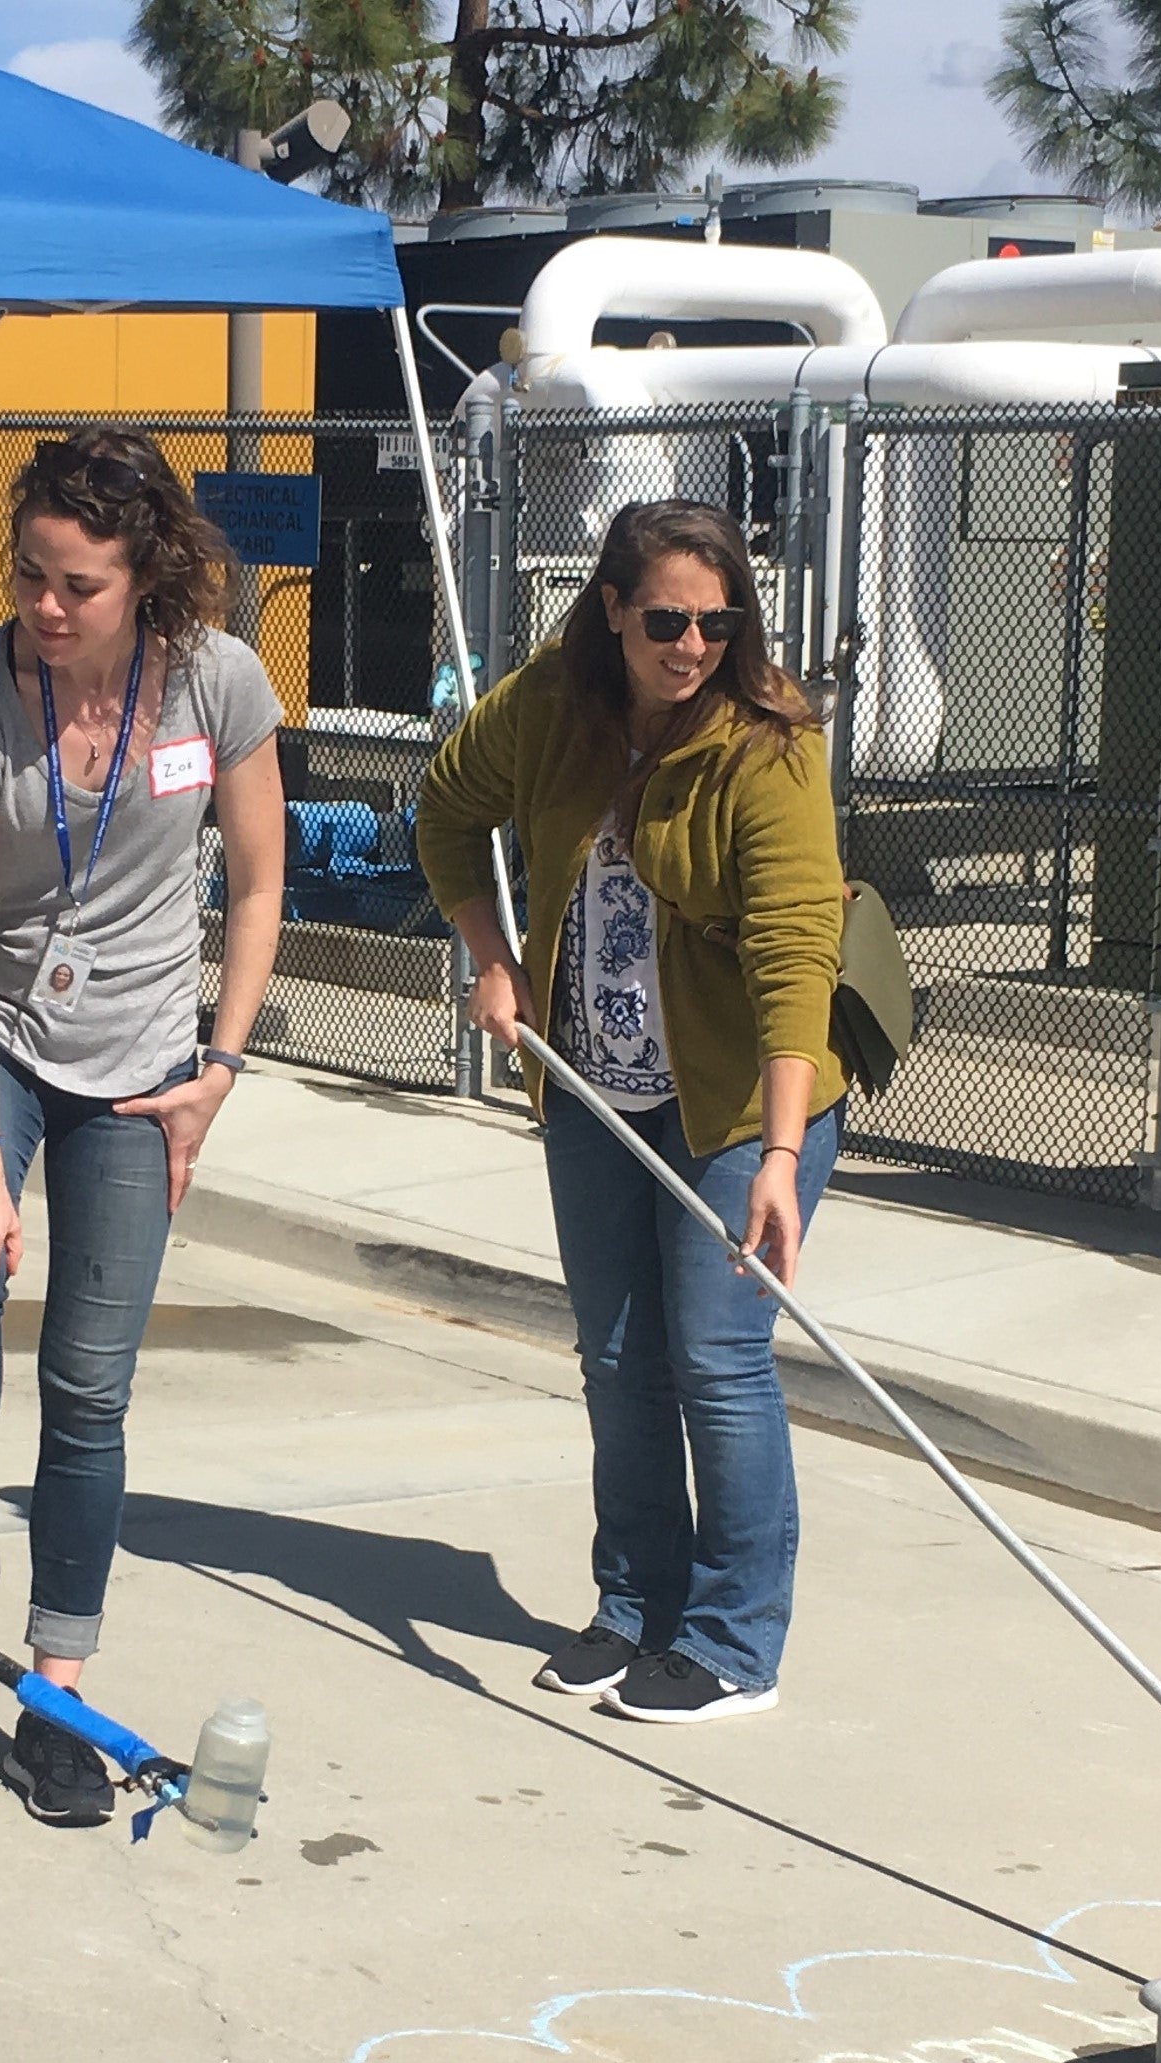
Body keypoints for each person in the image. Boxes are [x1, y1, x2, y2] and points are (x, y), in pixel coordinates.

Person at [0, 425, 288, 1825]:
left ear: (149, 581)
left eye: (77, 585)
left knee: (89, 1384)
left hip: (138, 1064)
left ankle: (52, 1696)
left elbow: (252, 887)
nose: (44, 609)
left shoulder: (216, 687)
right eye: (28, 576)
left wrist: (219, 1065)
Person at [416, 499, 847, 1725]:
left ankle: (732, 1641)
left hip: (735, 1102)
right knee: (615, 1361)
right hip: (594, 1082)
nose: (692, 645)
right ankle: (633, 1608)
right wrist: (491, 960)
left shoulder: (768, 742)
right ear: (613, 611)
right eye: (666, 619)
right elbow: (445, 811)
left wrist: (777, 1152)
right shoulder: (551, 706)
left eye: (718, 622)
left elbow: (794, 947)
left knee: (714, 1357)